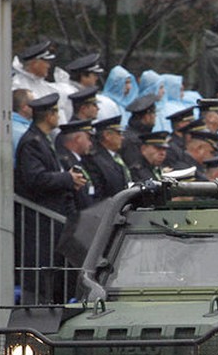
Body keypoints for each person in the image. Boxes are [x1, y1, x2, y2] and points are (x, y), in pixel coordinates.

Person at [14, 94, 87, 302]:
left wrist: (69, 179)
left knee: (55, 274)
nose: (58, 117)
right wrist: (67, 178)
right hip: (42, 222)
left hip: (55, 218)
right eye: (56, 112)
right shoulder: (32, 142)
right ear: (49, 115)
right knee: (41, 276)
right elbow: (35, 178)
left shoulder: (43, 140)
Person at [87, 116, 134, 197]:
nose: (122, 138)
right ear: (107, 135)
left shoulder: (115, 156)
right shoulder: (95, 160)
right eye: (119, 133)